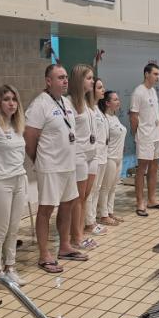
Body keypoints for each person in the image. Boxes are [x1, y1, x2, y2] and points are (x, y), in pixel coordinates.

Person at [24, 64, 87, 274]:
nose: (65, 80)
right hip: (50, 166)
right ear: (48, 81)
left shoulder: (66, 102)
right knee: (46, 210)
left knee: (68, 205)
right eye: (60, 77)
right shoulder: (39, 105)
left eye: (66, 77)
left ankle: (65, 246)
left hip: (68, 164)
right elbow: (30, 137)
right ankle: (44, 255)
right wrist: (40, 160)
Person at [0, 84, 28, 285]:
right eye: (7, 99)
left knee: (14, 227)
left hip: (19, 178)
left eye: (14, 99)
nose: (11, 103)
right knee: (1, 228)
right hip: (0, 181)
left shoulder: (17, 125)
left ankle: (10, 267)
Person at [68, 64, 98, 251]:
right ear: (79, 80)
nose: (92, 81)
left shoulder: (88, 103)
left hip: (92, 153)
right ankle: (75, 237)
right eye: (89, 78)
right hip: (78, 154)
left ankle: (80, 232)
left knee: (85, 196)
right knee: (77, 198)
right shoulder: (69, 103)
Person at [130, 63, 159, 216]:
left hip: (156, 135)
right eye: (155, 74)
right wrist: (137, 134)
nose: (158, 77)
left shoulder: (153, 91)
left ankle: (151, 199)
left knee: (155, 167)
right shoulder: (139, 92)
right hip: (145, 136)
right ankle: (140, 202)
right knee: (142, 169)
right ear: (146, 74)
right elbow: (133, 116)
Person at [96, 91, 127, 226]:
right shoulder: (105, 119)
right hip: (109, 158)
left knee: (113, 187)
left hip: (119, 157)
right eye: (115, 100)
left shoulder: (115, 117)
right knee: (105, 187)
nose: (118, 102)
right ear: (107, 103)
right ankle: (103, 215)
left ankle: (110, 212)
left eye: (118, 99)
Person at [85, 78, 109, 236]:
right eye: (99, 87)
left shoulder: (97, 109)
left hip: (102, 155)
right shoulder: (88, 109)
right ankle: (88, 222)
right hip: (93, 156)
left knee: (97, 189)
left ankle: (92, 219)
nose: (103, 90)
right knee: (91, 191)